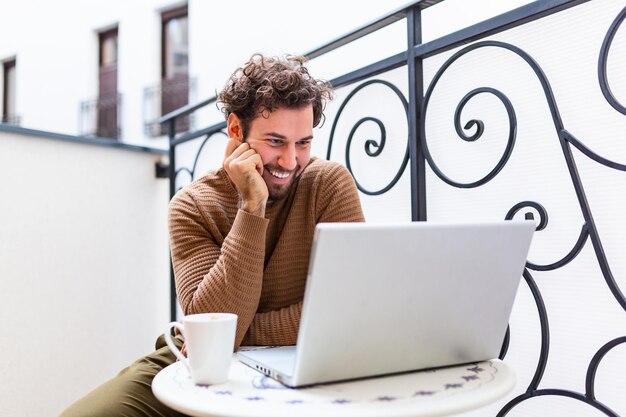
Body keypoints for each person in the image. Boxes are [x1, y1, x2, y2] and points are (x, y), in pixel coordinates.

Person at [60, 54, 365, 416]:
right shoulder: (191, 205)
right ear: (236, 129)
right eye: (275, 141)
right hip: (194, 362)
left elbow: (347, 313)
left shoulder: (328, 184)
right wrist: (252, 205)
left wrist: (231, 333)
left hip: (299, 360)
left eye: (303, 143)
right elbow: (209, 329)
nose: (290, 161)